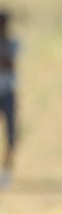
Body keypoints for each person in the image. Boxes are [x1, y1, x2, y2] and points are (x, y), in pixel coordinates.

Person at [0, 11, 16, 187]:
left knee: (10, 136)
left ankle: (5, 173)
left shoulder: (11, 43)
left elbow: (9, 64)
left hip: (7, 93)